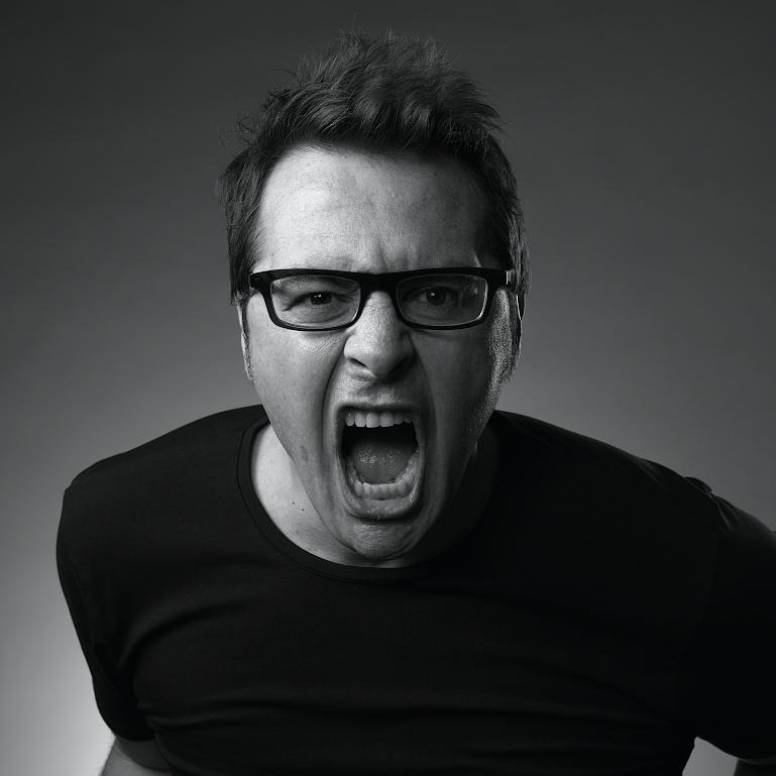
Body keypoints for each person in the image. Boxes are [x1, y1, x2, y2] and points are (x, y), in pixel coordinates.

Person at [57, 32, 775, 776]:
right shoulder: (120, 534)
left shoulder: (687, 559)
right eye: (317, 295)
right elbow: (147, 755)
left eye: (436, 294)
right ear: (246, 332)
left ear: (510, 327)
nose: (378, 349)